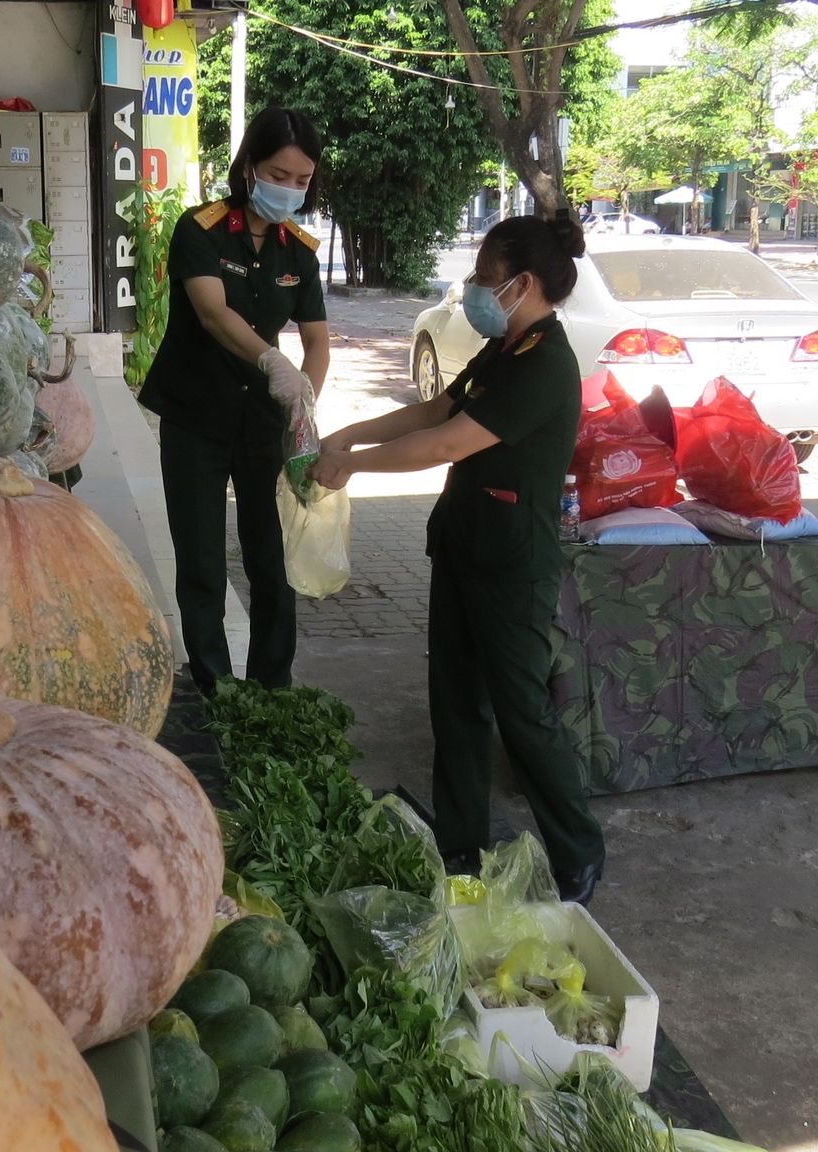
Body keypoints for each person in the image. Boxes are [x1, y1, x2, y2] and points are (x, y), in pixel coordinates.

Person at [309, 214, 604, 902]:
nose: (472, 287)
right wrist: (347, 434)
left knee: (522, 713)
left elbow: (447, 446)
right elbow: (437, 411)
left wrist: (354, 466)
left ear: (522, 284)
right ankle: (461, 845)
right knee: (456, 706)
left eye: (484, 276)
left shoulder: (546, 365)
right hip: (465, 548)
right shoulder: (506, 350)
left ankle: (578, 852)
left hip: (512, 566)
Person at [139, 108, 329, 696]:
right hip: (196, 414)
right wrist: (273, 361)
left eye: (302, 180)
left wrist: (306, 401)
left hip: (260, 424)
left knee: (270, 559)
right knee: (200, 562)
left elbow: (318, 341)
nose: (290, 189)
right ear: (250, 167)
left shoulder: (297, 249)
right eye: (280, 174)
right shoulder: (200, 228)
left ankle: (273, 689)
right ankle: (216, 688)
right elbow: (212, 312)